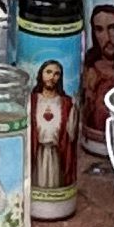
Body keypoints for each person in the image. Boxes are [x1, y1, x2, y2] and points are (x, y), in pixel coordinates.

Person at [28, 62, 77, 199]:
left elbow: (71, 135)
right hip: (36, 153)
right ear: (41, 74)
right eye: (48, 72)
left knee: (55, 183)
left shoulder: (66, 103)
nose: (52, 77)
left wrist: (75, 109)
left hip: (56, 154)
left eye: (56, 74)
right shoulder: (32, 100)